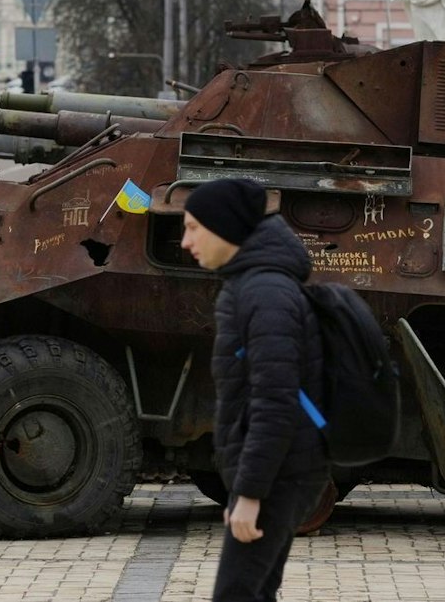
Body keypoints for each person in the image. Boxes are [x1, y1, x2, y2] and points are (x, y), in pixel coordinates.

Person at [181, 178, 330, 602]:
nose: (185, 241)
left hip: (280, 475)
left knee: (237, 595)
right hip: (281, 471)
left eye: (193, 227)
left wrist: (250, 494)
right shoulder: (253, 285)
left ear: (225, 228)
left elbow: (275, 400)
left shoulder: (265, 292)